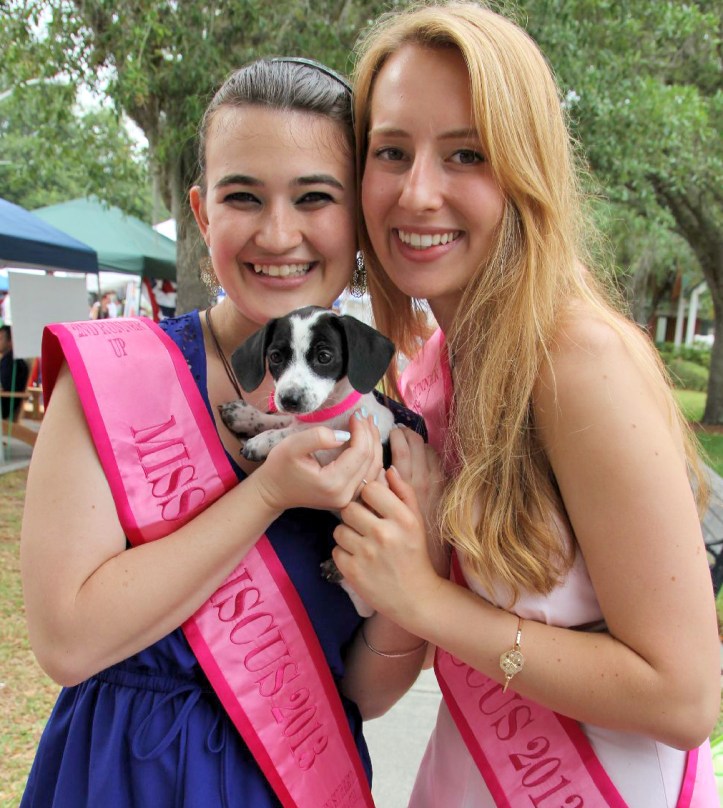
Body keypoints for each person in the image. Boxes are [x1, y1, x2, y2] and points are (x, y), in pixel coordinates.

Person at [330, 3, 721, 806]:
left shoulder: (578, 362)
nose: (417, 191)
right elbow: (379, 674)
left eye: (465, 153)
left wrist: (425, 600)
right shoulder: (430, 372)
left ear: (524, 168)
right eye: (391, 151)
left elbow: (685, 700)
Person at [20, 58, 435, 808]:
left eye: (315, 198)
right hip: (119, 776)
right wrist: (269, 492)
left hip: (292, 783)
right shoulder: (111, 379)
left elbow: (365, 692)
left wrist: (412, 575)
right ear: (203, 212)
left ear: (360, 218)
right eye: (243, 196)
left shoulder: (387, 430)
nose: (278, 234)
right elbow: (67, 642)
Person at [0, 324, 30, 421]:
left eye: (0, 339)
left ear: (10, 342)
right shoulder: (9, 359)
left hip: (4, 406)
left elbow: (5, 386)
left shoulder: (12, 362)